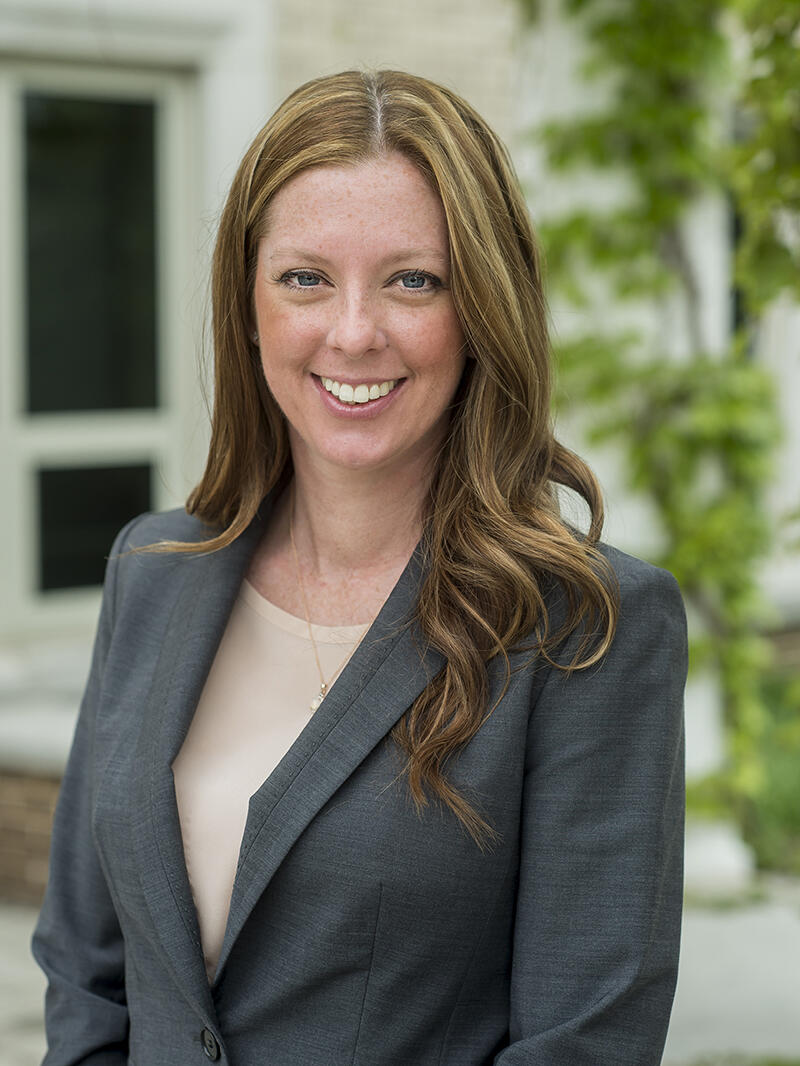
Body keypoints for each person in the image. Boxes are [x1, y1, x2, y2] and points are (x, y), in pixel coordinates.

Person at [32, 69, 687, 1065]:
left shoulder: (582, 627)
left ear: (481, 311)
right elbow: (87, 974)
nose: (351, 332)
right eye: (303, 278)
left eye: (411, 279)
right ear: (246, 303)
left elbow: (582, 1040)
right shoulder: (154, 569)